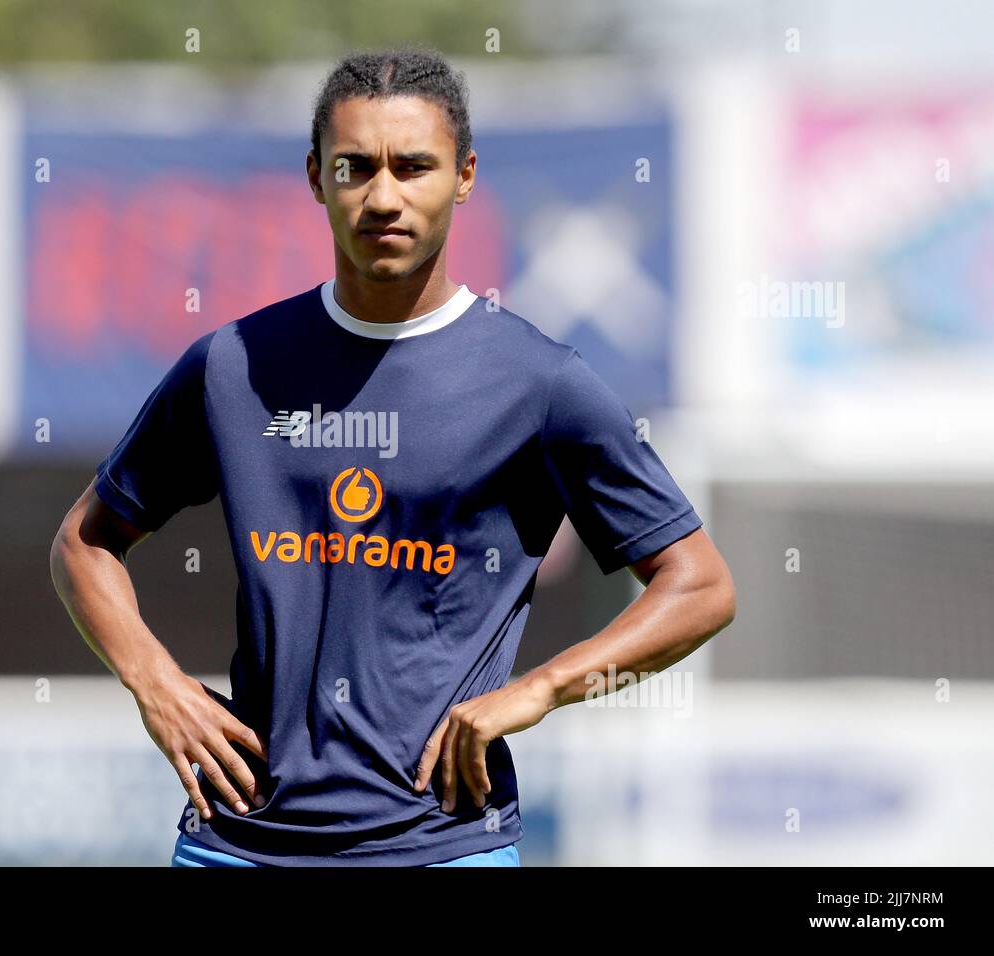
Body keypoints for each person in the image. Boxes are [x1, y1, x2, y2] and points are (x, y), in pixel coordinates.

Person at [49, 45, 736, 867]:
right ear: (315, 177)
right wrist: (154, 683)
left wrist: (541, 689)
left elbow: (699, 585)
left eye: (414, 167)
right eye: (354, 167)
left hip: (442, 847)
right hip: (241, 844)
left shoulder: (541, 383)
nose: (383, 196)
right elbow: (84, 543)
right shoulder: (232, 365)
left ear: (466, 175)